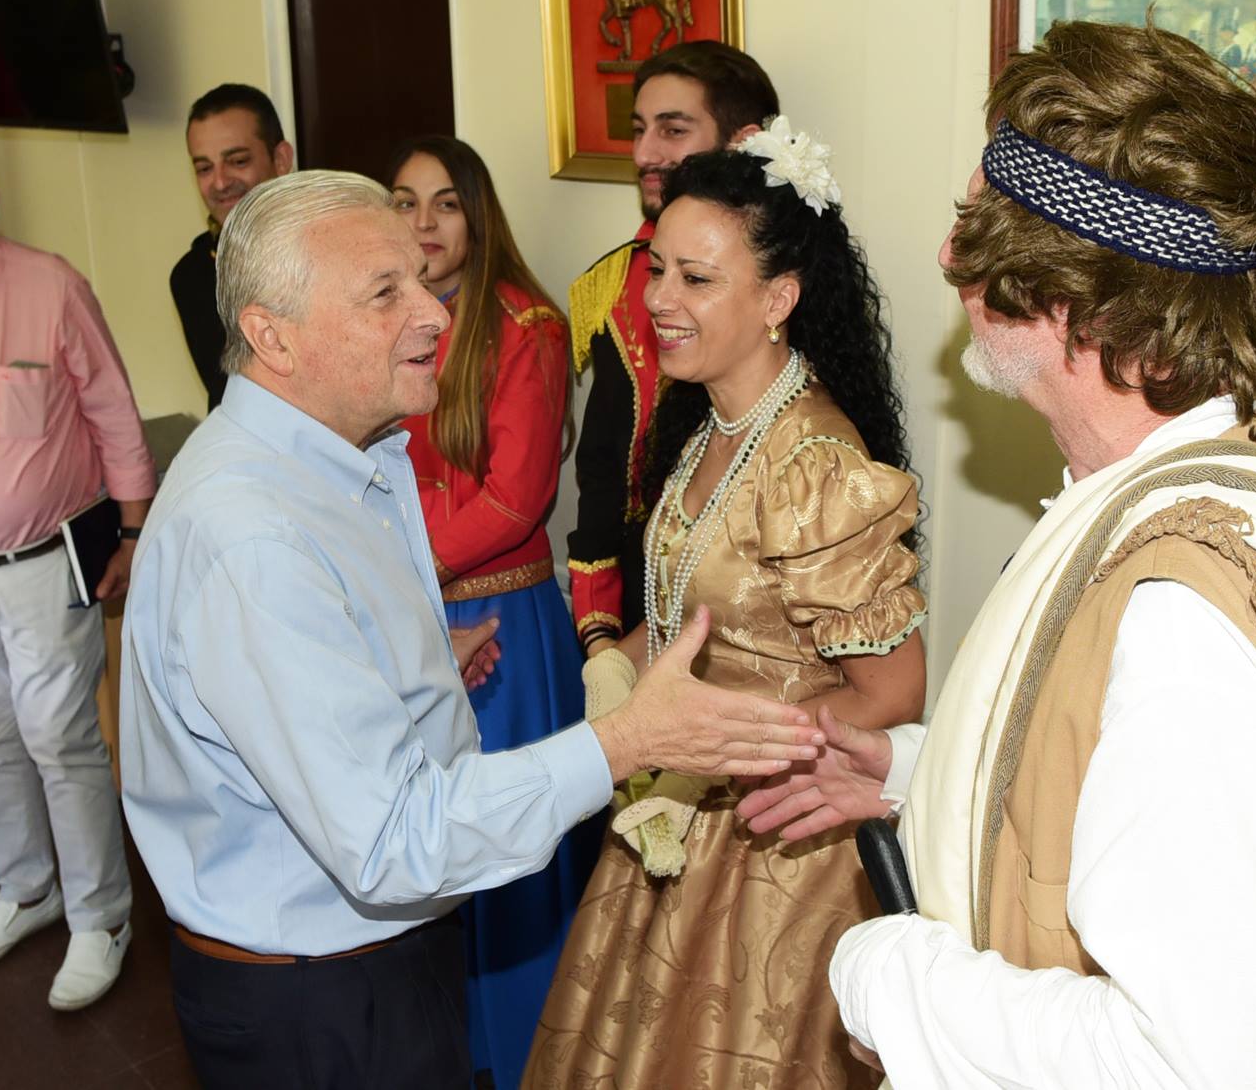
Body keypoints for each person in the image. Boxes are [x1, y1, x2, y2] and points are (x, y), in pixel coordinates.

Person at [741, 22, 1256, 1090]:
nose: (947, 256)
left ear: (1064, 290)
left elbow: (1220, 1067)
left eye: (975, 225)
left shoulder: (1186, 622)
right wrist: (925, 774)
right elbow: (1126, 787)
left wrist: (891, 978)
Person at [119, 170, 825, 1090]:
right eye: (385, 293)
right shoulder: (253, 537)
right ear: (272, 335)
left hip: (364, 965)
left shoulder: (333, 457)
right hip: (319, 1001)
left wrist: (395, 670)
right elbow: (393, 844)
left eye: (420, 280)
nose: (433, 315)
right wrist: (625, 742)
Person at [526, 129, 927, 1089]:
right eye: (658, 269)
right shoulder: (709, 424)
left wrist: (715, 748)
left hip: (777, 844)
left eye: (696, 279)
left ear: (778, 299)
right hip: (680, 805)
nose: (659, 299)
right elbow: (693, 618)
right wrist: (617, 668)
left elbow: (892, 692)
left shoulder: (814, 465)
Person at [388, 135, 597, 1086]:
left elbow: (518, 500)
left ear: (477, 215)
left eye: (444, 203)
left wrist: (404, 564)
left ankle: (527, 1059)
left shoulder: (526, 327)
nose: (423, 222)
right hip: (413, 620)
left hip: (504, 628)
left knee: (510, 856)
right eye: (404, 202)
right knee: (430, 848)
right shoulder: (386, 318)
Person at [0, 145, 156, 1010]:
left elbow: (114, 411)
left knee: (58, 736)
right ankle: (27, 889)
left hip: (43, 562)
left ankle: (102, 918)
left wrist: (133, 530)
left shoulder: (49, 287)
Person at [567, 41, 778, 657]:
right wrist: (601, 637)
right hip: (639, 603)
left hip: (761, 611)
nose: (643, 154)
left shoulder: (791, 284)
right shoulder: (616, 284)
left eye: (673, 130)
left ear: (743, 142)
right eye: (638, 130)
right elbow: (602, 475)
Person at [171, 83, 295, 410]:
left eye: (238, 161)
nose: (221, 182)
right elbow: (232, 394)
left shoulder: (336, 248)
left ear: (281, 159)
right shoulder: (193, 275)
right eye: (204, 168)